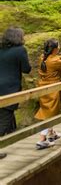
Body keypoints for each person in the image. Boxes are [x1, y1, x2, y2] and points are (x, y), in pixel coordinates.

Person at [35, 39, 61, 149]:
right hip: (52, 89)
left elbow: (55, 59)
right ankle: (42, 139)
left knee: (49, 111)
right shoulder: (54, 61)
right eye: (58, 46)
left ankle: (52, 133)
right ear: (54, 49)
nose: (59, 47)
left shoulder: (43, 57)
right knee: (49, 114)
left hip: (43, 87)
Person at [0, 27, 31, 159]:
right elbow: (26, 69)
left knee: (6, 116)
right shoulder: (20, 50)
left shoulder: (1, 50)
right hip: (10, 89)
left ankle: (13, 136)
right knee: (5, 118)